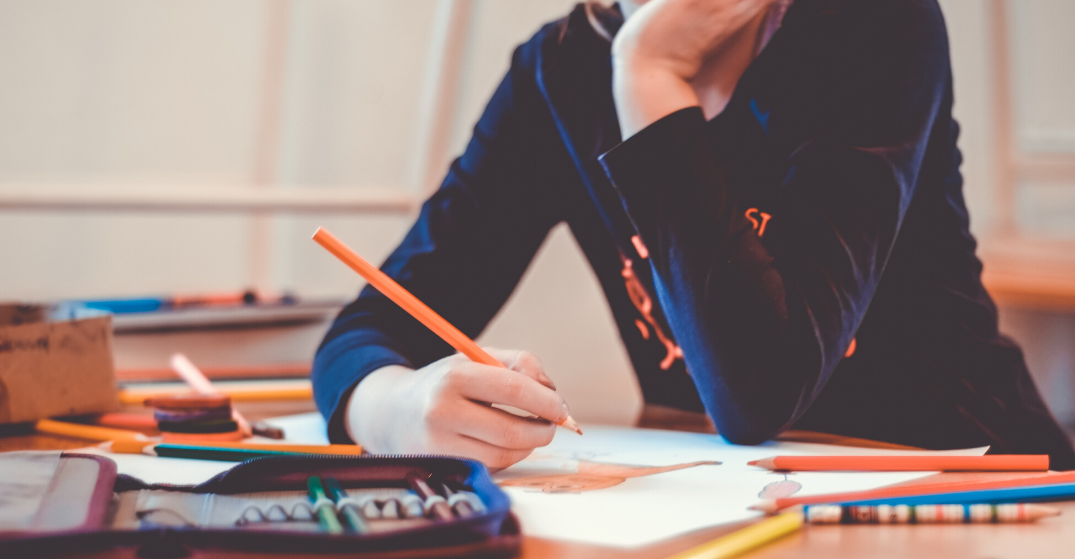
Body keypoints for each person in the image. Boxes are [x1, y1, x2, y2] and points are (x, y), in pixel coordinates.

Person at [312, 0, 1075, 471]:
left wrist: (648, 76)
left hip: (976, 500)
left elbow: (758, 396)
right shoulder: (561, 67)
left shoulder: (870, 25)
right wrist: (395, 409)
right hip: (744, 515)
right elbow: (371, 326)